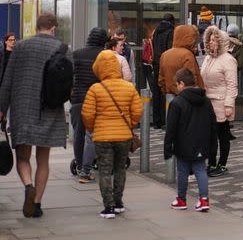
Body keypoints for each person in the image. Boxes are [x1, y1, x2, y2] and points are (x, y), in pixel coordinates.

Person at [0, 13, 70, 218]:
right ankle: (37, 203)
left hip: (23, 108)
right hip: (50, 109)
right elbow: (68, 84)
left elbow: (7, 81)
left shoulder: (20, 47)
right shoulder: (63, 49)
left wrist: (2, 107)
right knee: (43, 160)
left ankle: (28, 185)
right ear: (53, 28)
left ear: (36, 27)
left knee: (23, 157)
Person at [81, 50, 143, 219]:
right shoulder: (128, 87)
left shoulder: (95, 89)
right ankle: (118, 203)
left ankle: (108, 207)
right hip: (123, 136)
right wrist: (129, 124)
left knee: (105, 171)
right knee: (120, 169)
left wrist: (94, 128)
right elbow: (137, 111)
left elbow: (87, 114)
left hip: (102, 137)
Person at [165, 68, 214, 212]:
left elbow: (171, 128)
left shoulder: (177, 102)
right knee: (200, 169)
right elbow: (212, 124)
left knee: (183, 171)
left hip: (183, 143)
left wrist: (168, 147)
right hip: (202, 142)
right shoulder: (205, 100)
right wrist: (212, 145)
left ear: (181, 83)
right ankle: (204, 200)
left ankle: (181, 200)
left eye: (177, 84)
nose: (177, 87)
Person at [71, 27, 109, 183]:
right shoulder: (105, 55)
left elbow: (70, 77)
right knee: (94, 136)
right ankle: (90, 165)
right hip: (98, 100)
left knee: (78, 134)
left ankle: (80, 165)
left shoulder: (76, 54)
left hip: (79, 99)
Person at [200, 26, 238, 177]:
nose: (211, 43)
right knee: (210, 136)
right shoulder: (208, 58)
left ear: (221, 42)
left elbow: (232, 84)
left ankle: (222, 164)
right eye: (209, 40)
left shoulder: (228, 60)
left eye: (214, 40)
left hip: (222, 102)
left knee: (222, 135)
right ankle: (211, 163)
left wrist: (229, 105)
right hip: (208, 102)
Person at [158, 25, 205, 107]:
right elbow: (191, 78)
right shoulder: (187, 55)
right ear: (190, 38)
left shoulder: (165, 55)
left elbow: (161, 80)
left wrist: (167, 90)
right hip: (187, 99)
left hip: (170, 96)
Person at [149, 13, 175, 129]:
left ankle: (156, 121)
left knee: (156, 92)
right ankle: (164, 120)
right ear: (172, 21)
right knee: (165, 91)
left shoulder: (156, 32)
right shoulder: (171, 31)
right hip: (164, 64)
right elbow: (169, 49)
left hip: (155, 64)